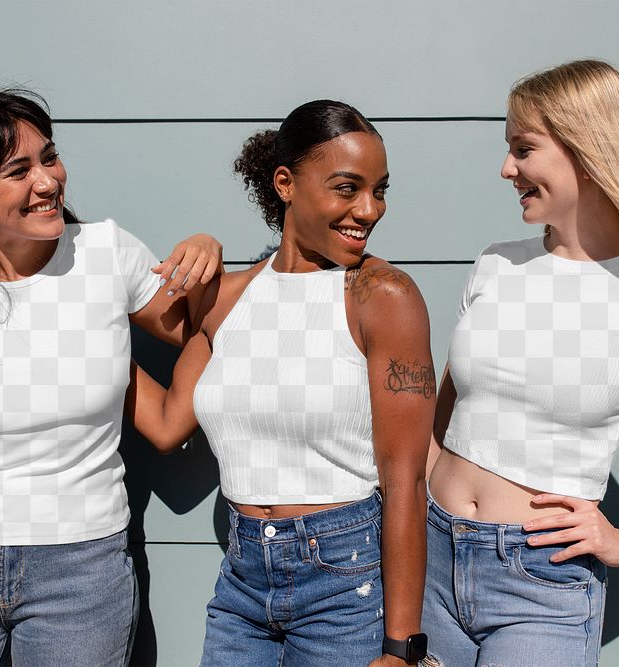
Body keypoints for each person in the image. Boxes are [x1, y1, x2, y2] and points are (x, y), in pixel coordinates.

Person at [0, 88, 223, 665]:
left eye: (49, 157)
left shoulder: (104, 253)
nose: (49, 181)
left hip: (82, 571)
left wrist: (207, 254)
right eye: (17, 170)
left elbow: (205, 327)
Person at [423, 60, 619, 667]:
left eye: (524, 149)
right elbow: (446, 416)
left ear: (588, 149)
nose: (506, 168)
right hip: (432, 563)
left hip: (540, 582)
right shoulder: (495, 265)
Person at [128, 100, 435, 666]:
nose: (368, 210)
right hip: (242, 581)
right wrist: (92, 342)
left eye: (380, 190)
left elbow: (406, 480)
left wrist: (402, 646)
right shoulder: (225, 300)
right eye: (348, 188)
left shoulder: (383, 298)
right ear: (285, 183)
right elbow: (169, 425)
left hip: (345, 580)